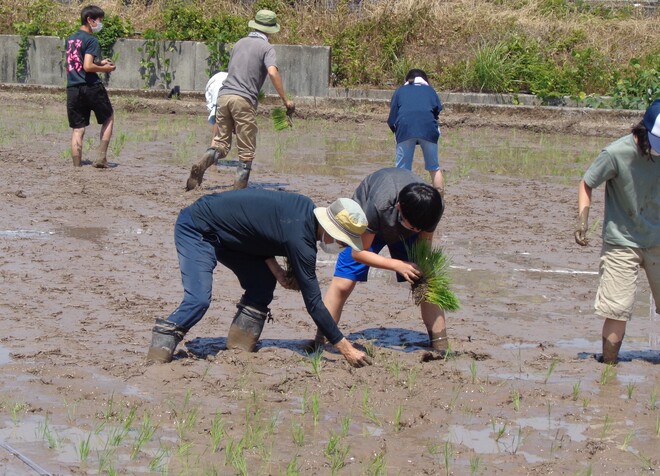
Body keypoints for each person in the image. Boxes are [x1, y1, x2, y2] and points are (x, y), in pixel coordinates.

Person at [146, 189, 373, 368]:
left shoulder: (303, 210)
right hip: (197, 228)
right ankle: (156, 361)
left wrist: (276, 271)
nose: (341, 246)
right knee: (198, 300)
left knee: (262, 284)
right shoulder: (301, 241)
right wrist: (345, 347)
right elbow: (313, 303)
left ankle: (238, 350)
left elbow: (256, 232)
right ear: (330, 229)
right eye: (343, 241)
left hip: (229, 235)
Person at [311, 167, 448, 352]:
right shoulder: (377, 206)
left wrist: (422, 267)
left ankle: (440, 345)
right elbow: (358, 253)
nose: (416, 230)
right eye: (413, 226)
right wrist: (397, 264)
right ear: (399, 206)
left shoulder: (432, 208)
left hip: (402, 221)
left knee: (426, 283)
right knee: (343, 283)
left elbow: (424, 246)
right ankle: (321, 341)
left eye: (419, 228)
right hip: (367, 226)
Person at [575, 99, 660, 365]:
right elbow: (587, 183)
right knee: (618, 309)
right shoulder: (615, 153)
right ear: (643, 132)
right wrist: (583, 219)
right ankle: (608, 367)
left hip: (657, 238)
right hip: (622, 241)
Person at [186, 10, 295, 191]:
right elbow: (272, 72)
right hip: (243, 99)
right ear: (270, 30)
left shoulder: (239, 43)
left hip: (224, 96)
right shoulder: (267, 48)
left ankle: (202, 163)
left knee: (220, 144)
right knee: (246, 152)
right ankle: (238, 191)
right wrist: (286, 100)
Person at [65, 5, 117, 168]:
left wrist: (99, 62)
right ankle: (101, 158)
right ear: (89, 19)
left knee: (78, 129)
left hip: (73, 88)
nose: (100, 24)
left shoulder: (71, 39)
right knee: (108, 118)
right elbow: (87, 67)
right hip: (91, 87)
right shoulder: (91, 40)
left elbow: (79, 62)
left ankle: (76, 166)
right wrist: (105, 68)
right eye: (99, 20)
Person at [387, 69, 445, 195]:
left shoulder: (400, 91)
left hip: (405, 129)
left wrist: (398, 134)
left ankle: (401, 201)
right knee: (434, 168)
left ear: (407, 80)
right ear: (425, 80)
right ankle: (440, 201)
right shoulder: (430, 90)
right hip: (429, 130)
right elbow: (436, 112)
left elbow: (392, 119)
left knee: (402, 170)